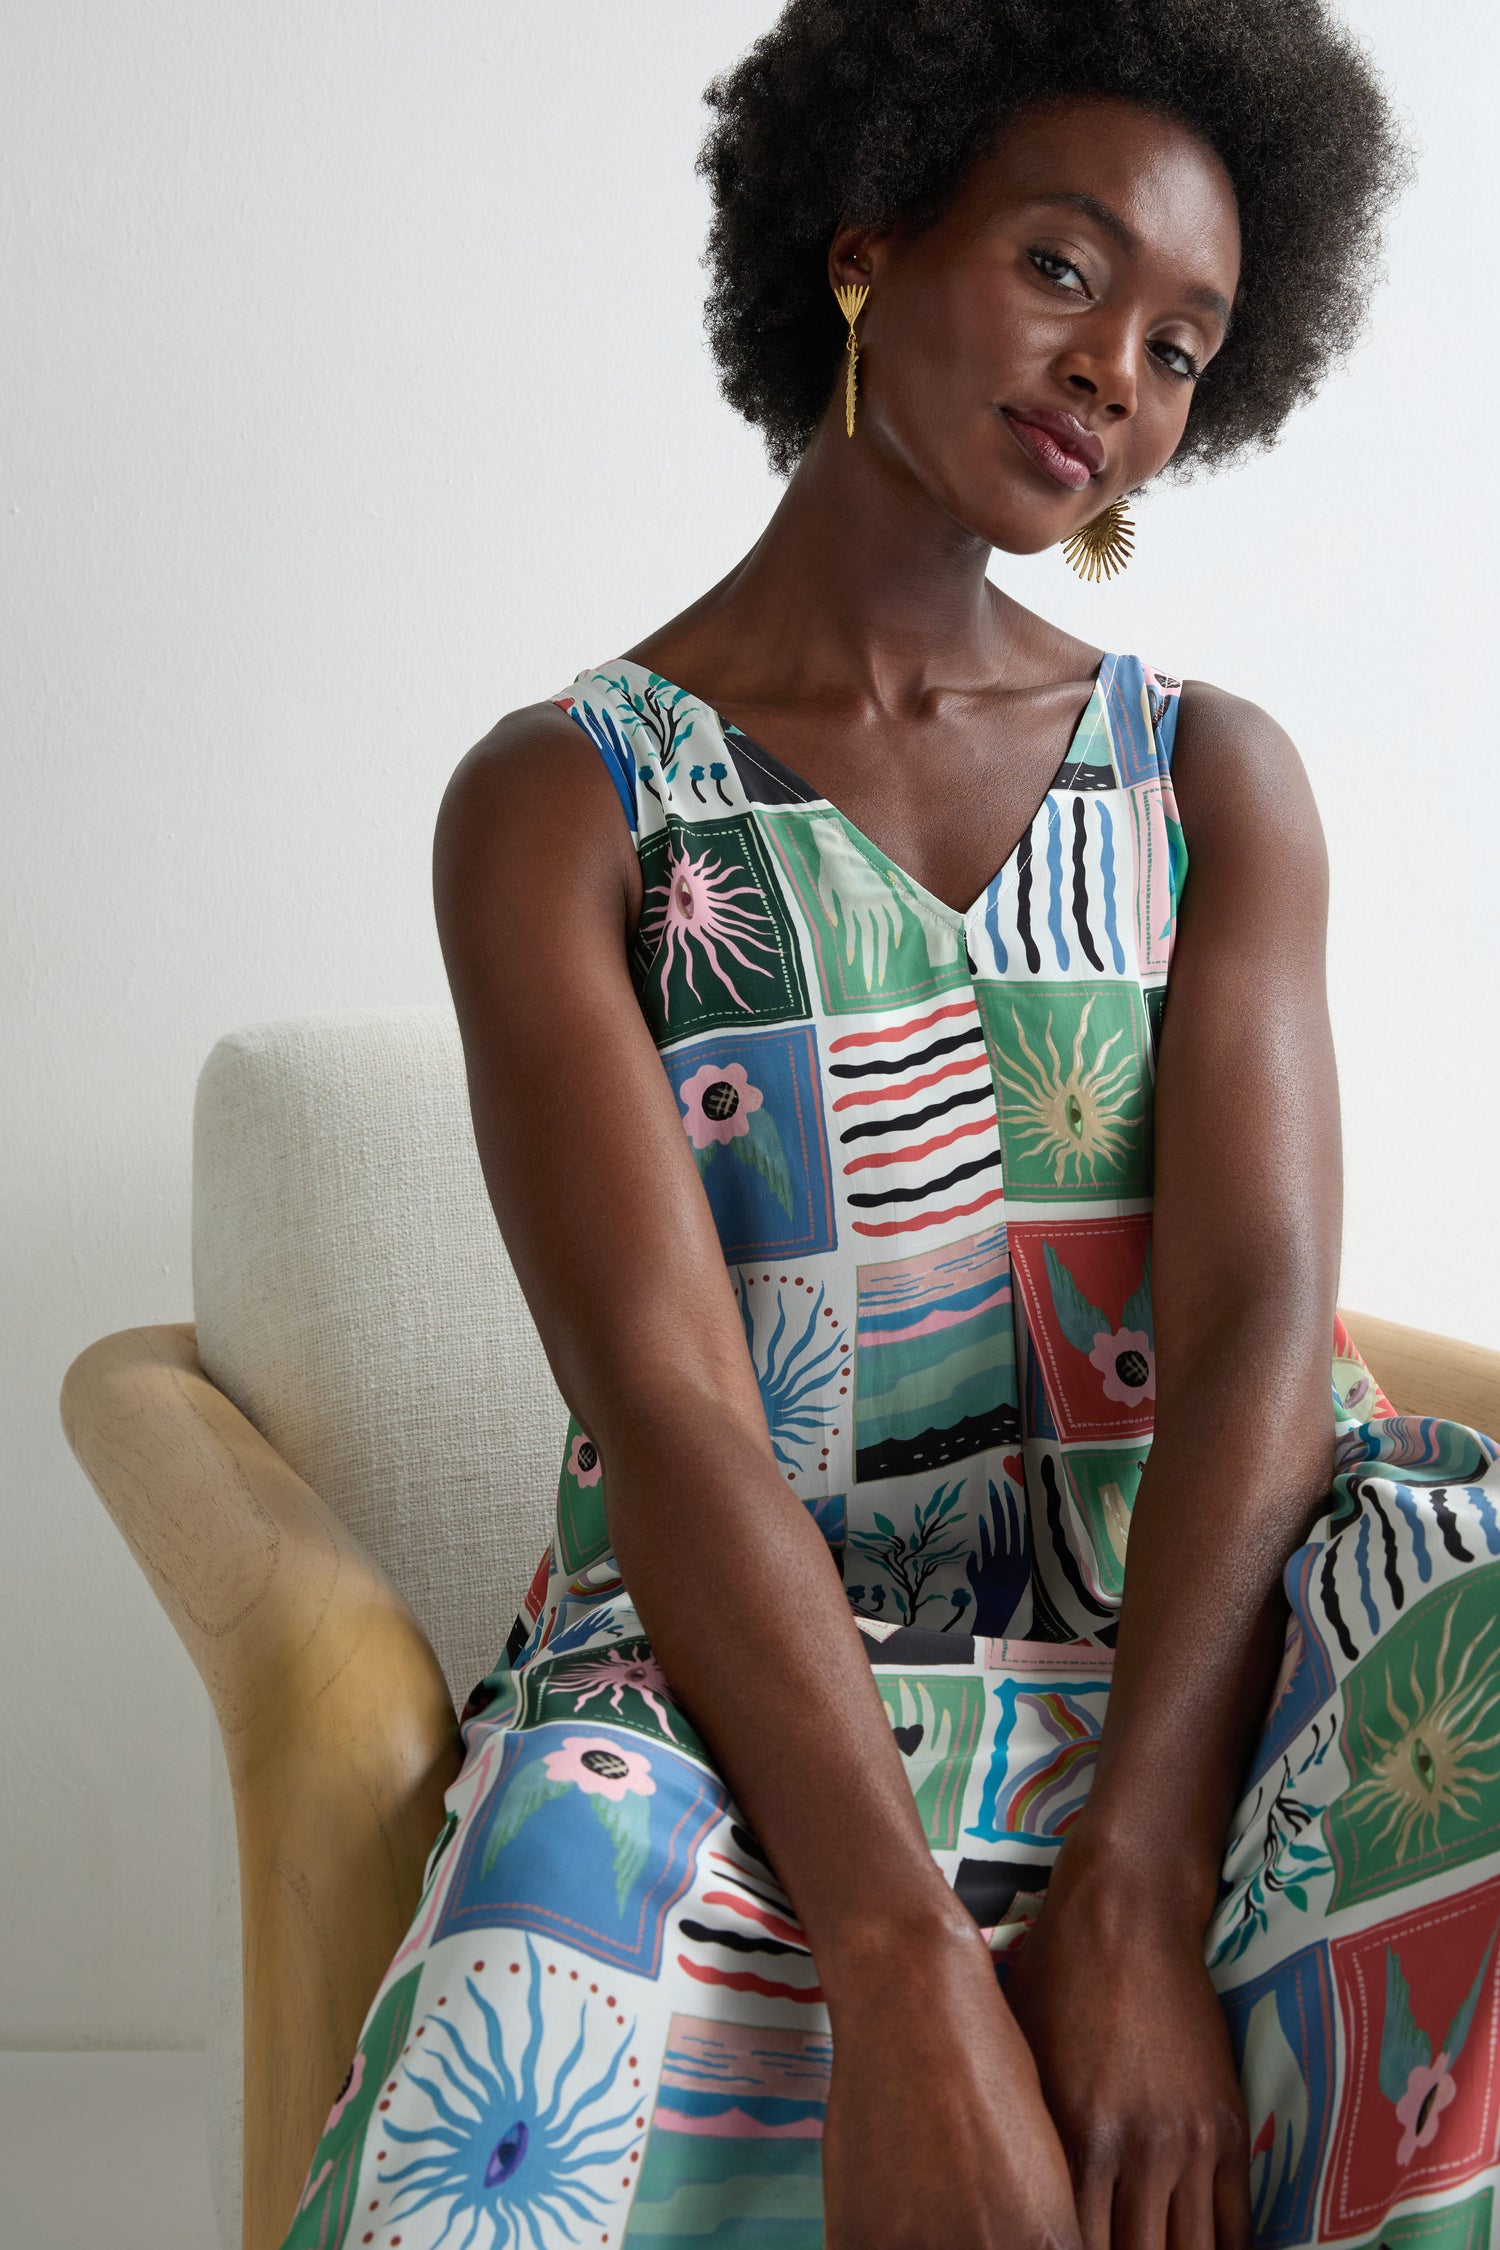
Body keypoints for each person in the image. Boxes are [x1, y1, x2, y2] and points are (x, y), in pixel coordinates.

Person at [282, 6, 1500, 2247]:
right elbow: (667, 1407)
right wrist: (904, 1955)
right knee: (528, 2003)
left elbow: (1254, 1326)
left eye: (1183, 344)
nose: (1116, 371)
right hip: (777, 1684)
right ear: (864, 244)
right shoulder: (568, 806)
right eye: (1062, 269)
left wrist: (1136, 1876)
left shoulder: (1208, 777)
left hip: (1206, 1644)